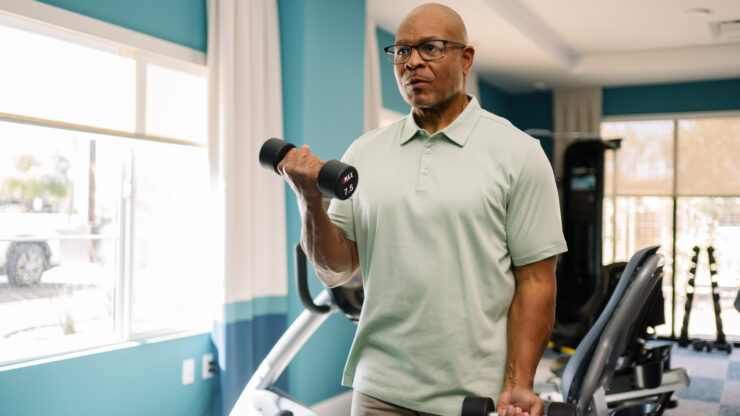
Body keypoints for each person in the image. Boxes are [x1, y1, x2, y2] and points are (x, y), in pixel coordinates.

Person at [277, 3, 567, 416]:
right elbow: (335, 270)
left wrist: (520, 382)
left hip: (474, 395)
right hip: (378, 388)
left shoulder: (518, 153)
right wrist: (309, 198)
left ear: (466, 59)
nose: (412, 62)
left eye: (430, 48)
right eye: (401, 51)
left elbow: (536, 280)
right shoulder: (365, 151)